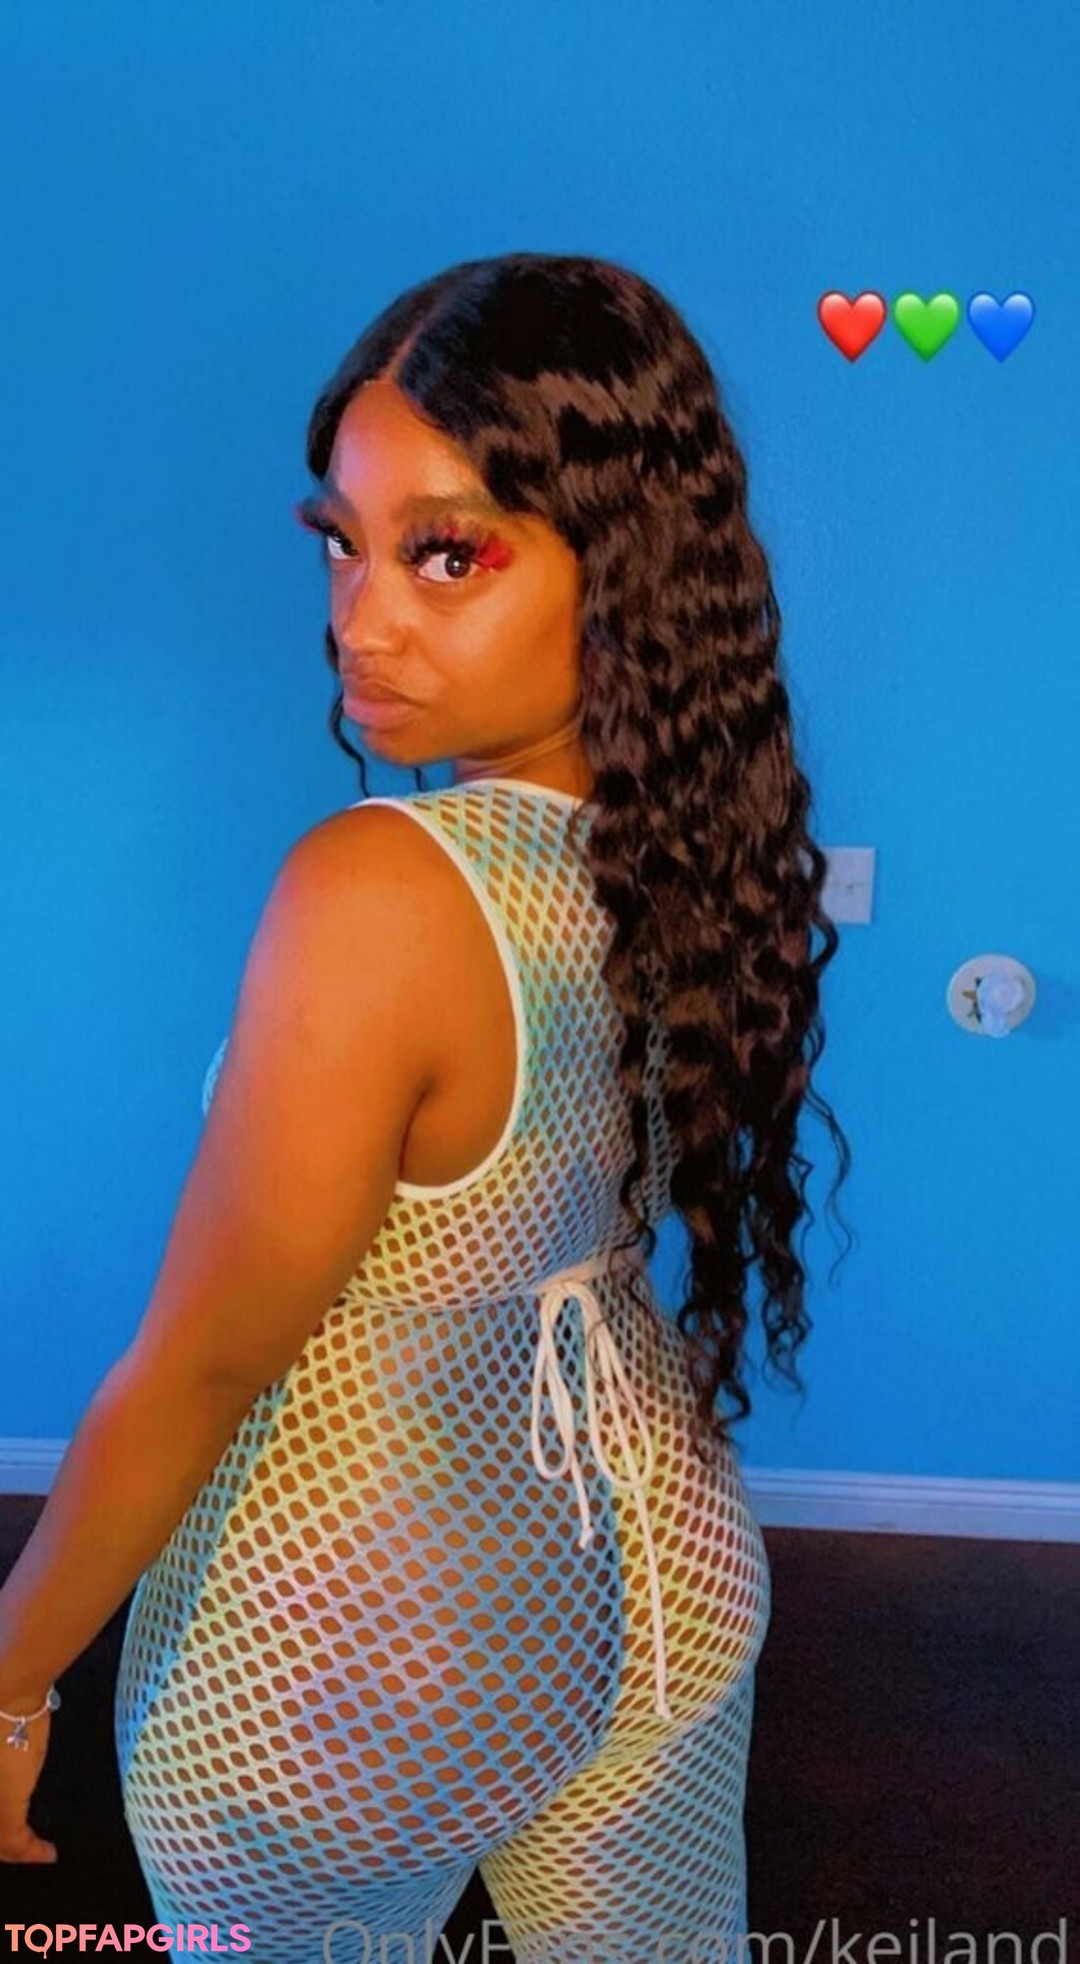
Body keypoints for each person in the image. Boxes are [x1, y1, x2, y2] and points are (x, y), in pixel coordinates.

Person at [0, 253, 851, 1961]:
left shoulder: (381, 889)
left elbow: (205, 1364)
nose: (362, 618)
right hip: (669, 1563)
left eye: (447, 554)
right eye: (344, 543)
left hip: (366, 1645)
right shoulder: (688, 845)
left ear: (625, 566)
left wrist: (12, 1681)